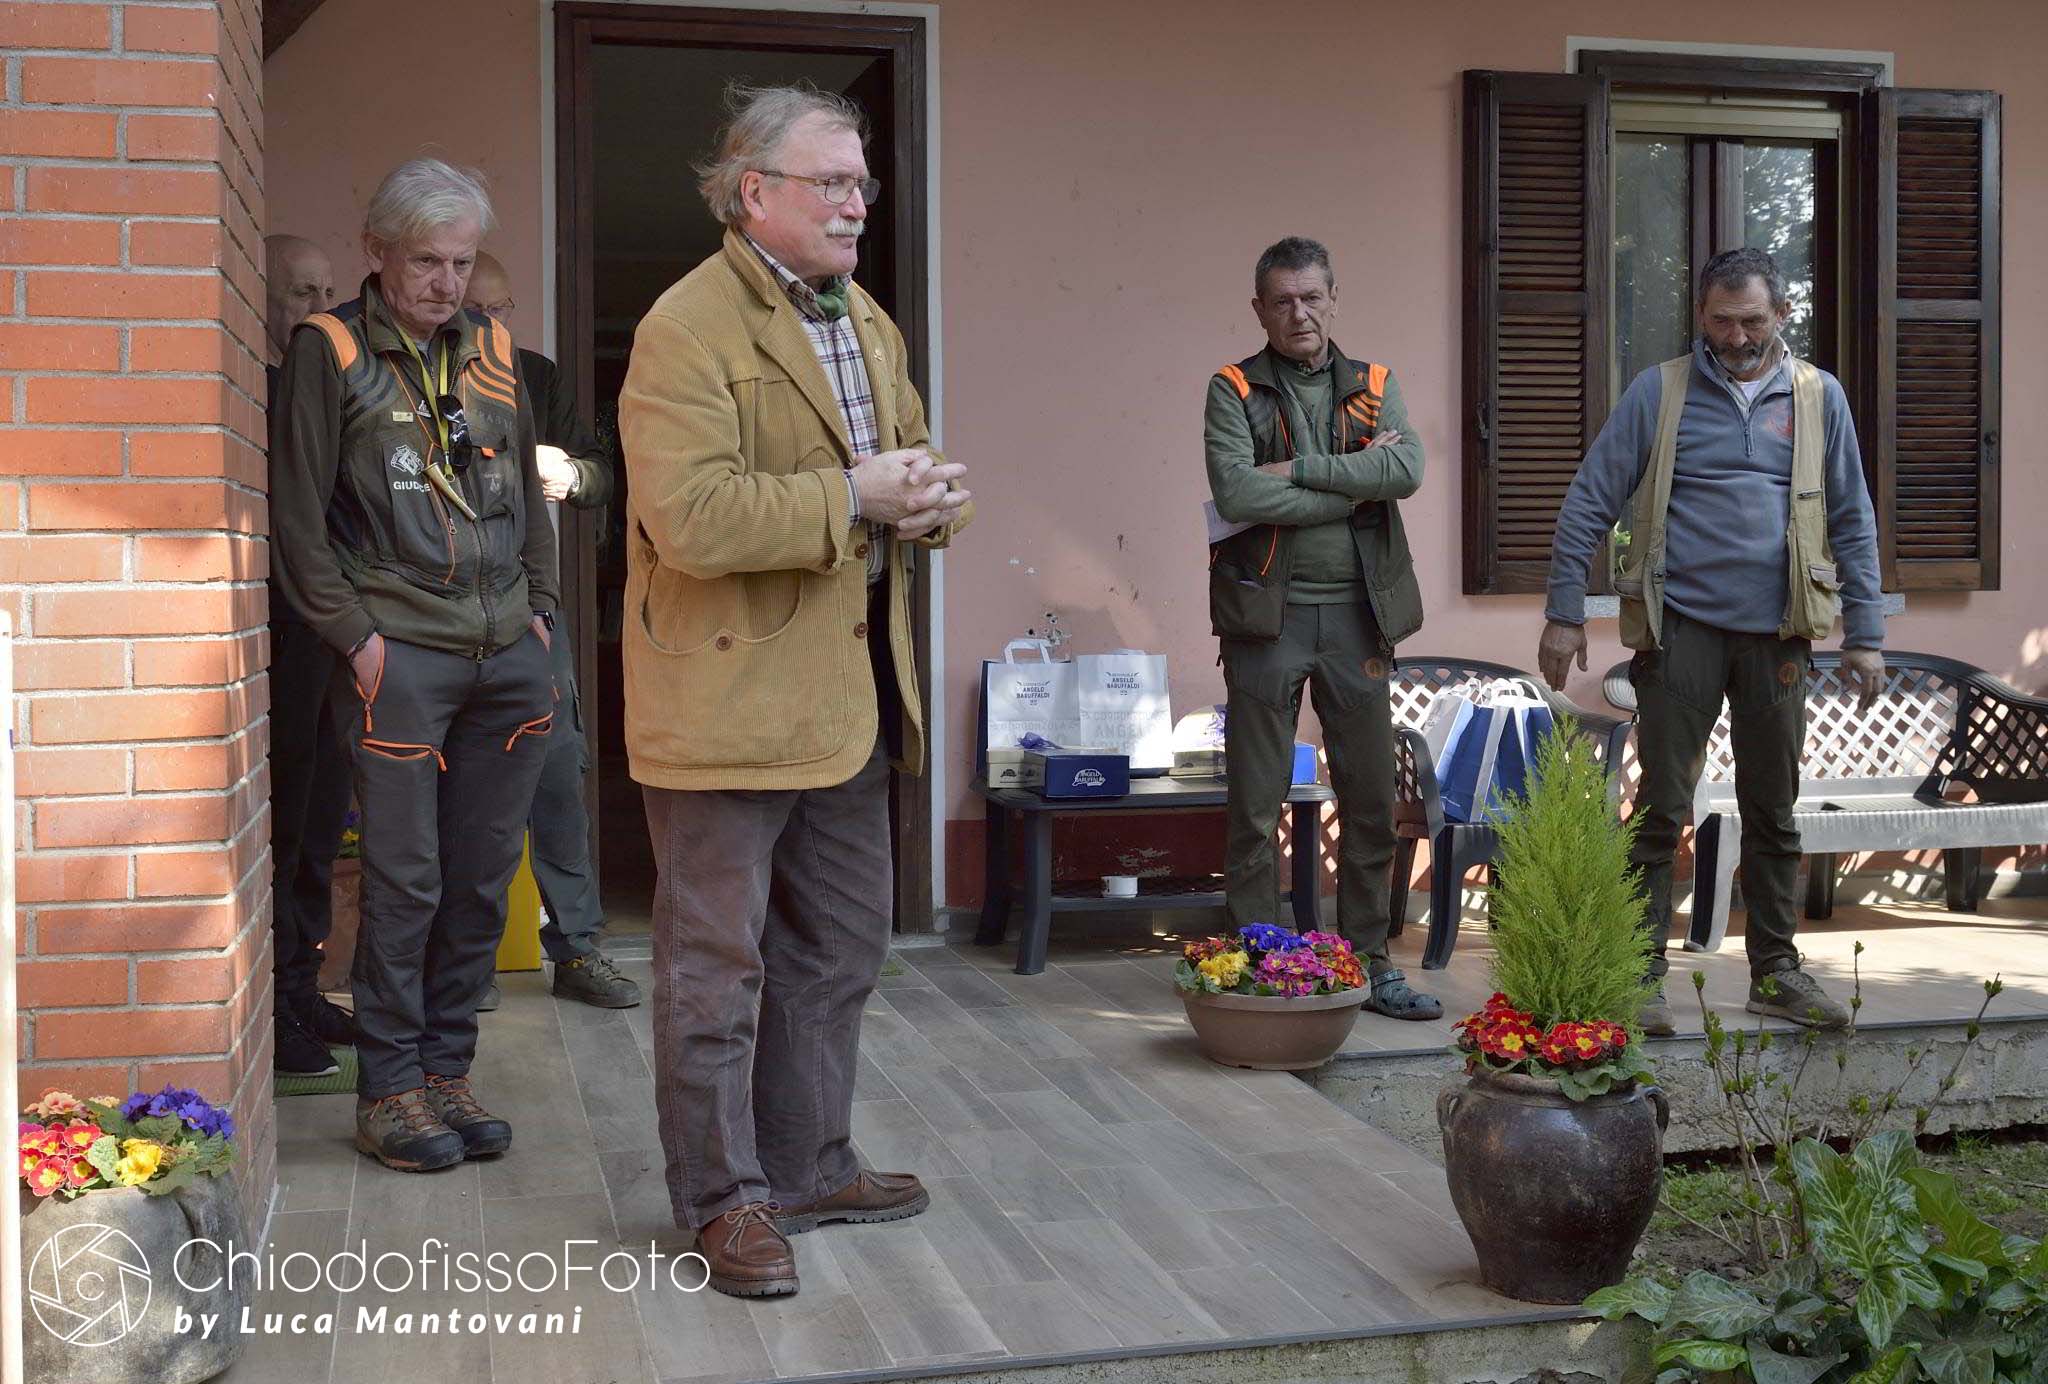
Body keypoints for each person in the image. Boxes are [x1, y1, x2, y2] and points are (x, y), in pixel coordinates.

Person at [618, 83, 971, 1298]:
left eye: (862, 183)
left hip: (848, 692)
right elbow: (689, 517)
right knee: (714, 970)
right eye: (832, 182)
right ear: (753, 191)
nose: (856, 203)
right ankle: (723, 1200)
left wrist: (932, 499)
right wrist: (854, 499)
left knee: (838, 947)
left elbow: (905, 459)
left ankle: (810, 1165)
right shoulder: (685, 325)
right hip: (724, 701)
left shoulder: (864, 317)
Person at [269, 158, 560, 1172]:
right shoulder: (331, 348)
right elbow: (297, 520)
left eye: (462, 262)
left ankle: (446, 1072)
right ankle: (388, 1088)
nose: (447, 282)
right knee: (405, 883)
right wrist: (355, 636)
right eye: (427, 261)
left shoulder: (493, 348)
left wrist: (543, 610)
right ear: (378, 251)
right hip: (400, 653)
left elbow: (527, 494)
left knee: (479, 882)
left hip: (506, 652)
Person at [1539, 246, 1885, 1036]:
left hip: (1778, 634)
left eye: (1752, 321)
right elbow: (1590, 499)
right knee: (1662, 807)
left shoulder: (1818, 396)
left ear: (1782, 315)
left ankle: (1777, 973)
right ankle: (1637, 975)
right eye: (1722, 321)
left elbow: (1852, 517)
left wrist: (1865, 633)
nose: (1736, 337)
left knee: (1774, 810)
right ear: (1701, 315)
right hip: (1682, 628)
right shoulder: (1659, 391)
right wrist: (1564, 612)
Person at [1203, 236, 1438, 1021]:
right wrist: (1356, 484)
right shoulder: (1233, 387)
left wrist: (1296, 471)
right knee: (1255, 802)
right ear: (1260, 309)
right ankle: (1258, 962)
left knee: (1369, 799)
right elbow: (1238, 495)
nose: (1298, 313)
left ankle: (1371, 963)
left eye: (1311, 297)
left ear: (1334, 298)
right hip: (1263, 619)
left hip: (1358, 617)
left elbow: (1406, 470)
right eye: (1282, 301)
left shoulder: (1375, 383)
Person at [463, 252, 640, 1010]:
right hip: (436, 607)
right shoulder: (408, 375)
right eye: (477, 309)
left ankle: (577, 947)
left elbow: (602, 474)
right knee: (462, 783)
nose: (491, 323)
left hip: (531, 604)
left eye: (501, 308)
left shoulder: (534, 373)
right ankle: (466, 963)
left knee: (559, 767)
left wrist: (570, 474)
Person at [263, 234, 357, 1077]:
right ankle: (276, 1006)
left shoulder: (330, 386)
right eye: (300, 293)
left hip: (331, 642)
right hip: (281, 639)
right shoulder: (253, 392)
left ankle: (302, 988)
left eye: (327, 292)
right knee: (287, 825)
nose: (319, 310)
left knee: (324, 821)